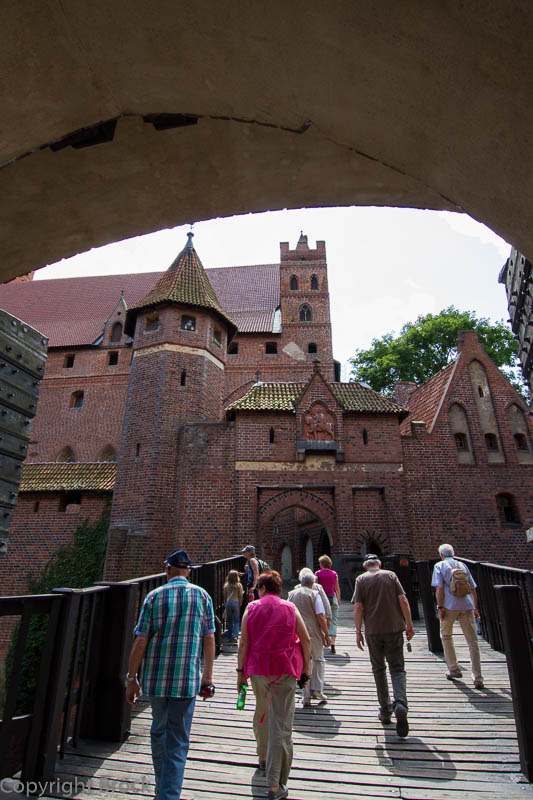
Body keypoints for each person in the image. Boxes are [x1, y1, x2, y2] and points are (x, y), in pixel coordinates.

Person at [125, 549, 215, 800]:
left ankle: (162, 789)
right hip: (187, 680)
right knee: (177, 741)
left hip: (156, 679)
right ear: (188, 571)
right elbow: (209, 638)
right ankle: (168, 793)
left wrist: (131, 679)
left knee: (158, 732)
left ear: (167, 569)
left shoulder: (153, 596)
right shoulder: (202, 596)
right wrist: (207, 677)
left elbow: (140, 641)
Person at [237, 570, 311, 800]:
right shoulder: (290, 607)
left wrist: (240, 673)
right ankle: (275, 784)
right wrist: (306, 670)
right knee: (282, 725)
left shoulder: (252, 608)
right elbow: (306, 639)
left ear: (262, 588)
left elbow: (244, 642)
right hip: (284, 670)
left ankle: (262, 758)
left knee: (262, 712)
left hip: (258, 669)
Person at [352, 554, 414, 737]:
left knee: (378, 669)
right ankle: (401, 704)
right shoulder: (391, 575)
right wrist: (409, 624)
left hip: (373, 631)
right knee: (397, 669)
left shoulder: (361, 579)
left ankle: (385, 710)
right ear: (379, 564)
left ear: (365, 567)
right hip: (395, 628)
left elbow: (358, 607)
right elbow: (403, 600)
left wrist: (358, 631)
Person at [431, 543, 484, 689]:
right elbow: (473, 588)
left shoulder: (439, 566)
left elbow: (439, 588)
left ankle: (454, 669)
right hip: (467, 605)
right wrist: (475, 607)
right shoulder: (462, 565)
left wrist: (440, 607)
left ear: (441, 555)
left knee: (446, 636)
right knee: (472, 642)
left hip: (449, 606)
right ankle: (478, 677)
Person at [288, 571, 331, 706]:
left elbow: (289, 611)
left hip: (297, 631)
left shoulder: (291, 594)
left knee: (302, 661)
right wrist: (326, 633)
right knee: (317, 660)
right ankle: (317, 689)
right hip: (313, 631)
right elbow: (320, 615)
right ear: (313, 583)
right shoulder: (314, 594)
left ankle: (305, 695)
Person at [315, 554, 341, 654]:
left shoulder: (318, 573)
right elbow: (337, 588)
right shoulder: (334, 574)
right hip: (332, 598)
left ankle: (323, 642)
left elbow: (316, 587)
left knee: (321, 620)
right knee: (333, 620)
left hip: (322, 600)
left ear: (321, 564)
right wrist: (338, 599)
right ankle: (333, 644)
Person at [223, 569, 244, 642]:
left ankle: (229, 635)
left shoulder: (226, 585)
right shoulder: (239, 585)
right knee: (236, 621)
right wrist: (240, 603)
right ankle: (235, 636)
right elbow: (240, 595)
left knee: (229, 620)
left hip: (228, 603)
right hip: (236, 603)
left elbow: (225, 596)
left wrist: (225, 603)